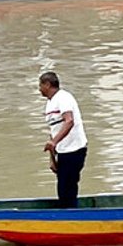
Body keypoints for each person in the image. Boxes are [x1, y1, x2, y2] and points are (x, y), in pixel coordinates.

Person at [37, 70, 87, 207]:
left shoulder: (63, 97)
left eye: (40, 85)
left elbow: (69, 121)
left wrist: (54, 142)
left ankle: (72, 219)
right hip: (63, 152)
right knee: (63, 190)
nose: (39, 89)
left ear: (47, 84)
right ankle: (69, 215)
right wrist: (53, 159)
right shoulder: (50, 103)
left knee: (67, 189)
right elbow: (53, 131)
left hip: (74, 150)